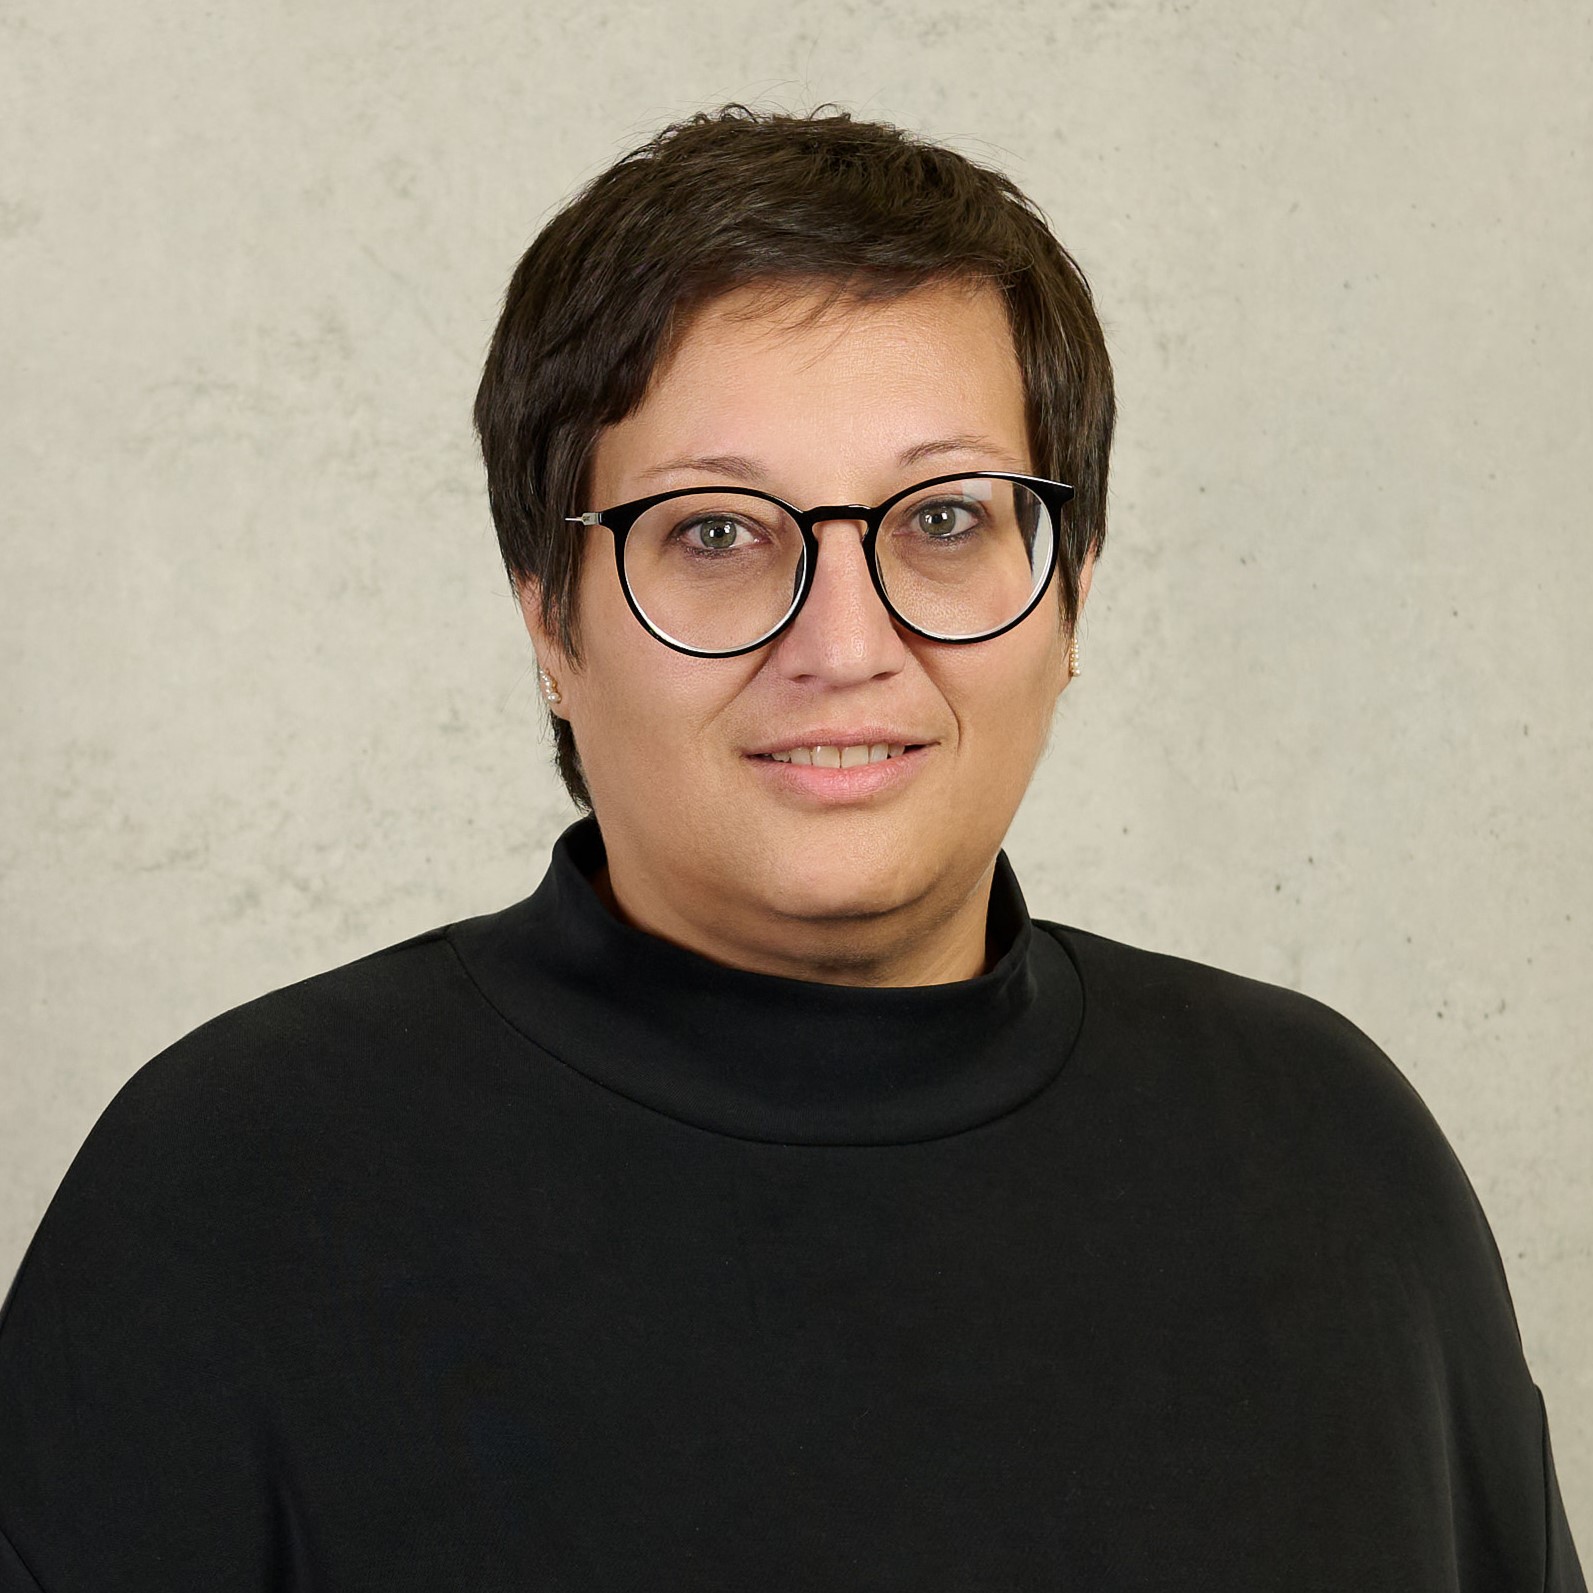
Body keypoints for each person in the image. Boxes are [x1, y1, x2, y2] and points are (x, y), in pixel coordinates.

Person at [0, 104, 1583, 1591]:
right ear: (547, 617)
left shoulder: (1330, 1159)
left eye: (945, 519)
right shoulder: (233, 1191)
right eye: (712, 532)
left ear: (1074, 590)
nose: (845, 640)